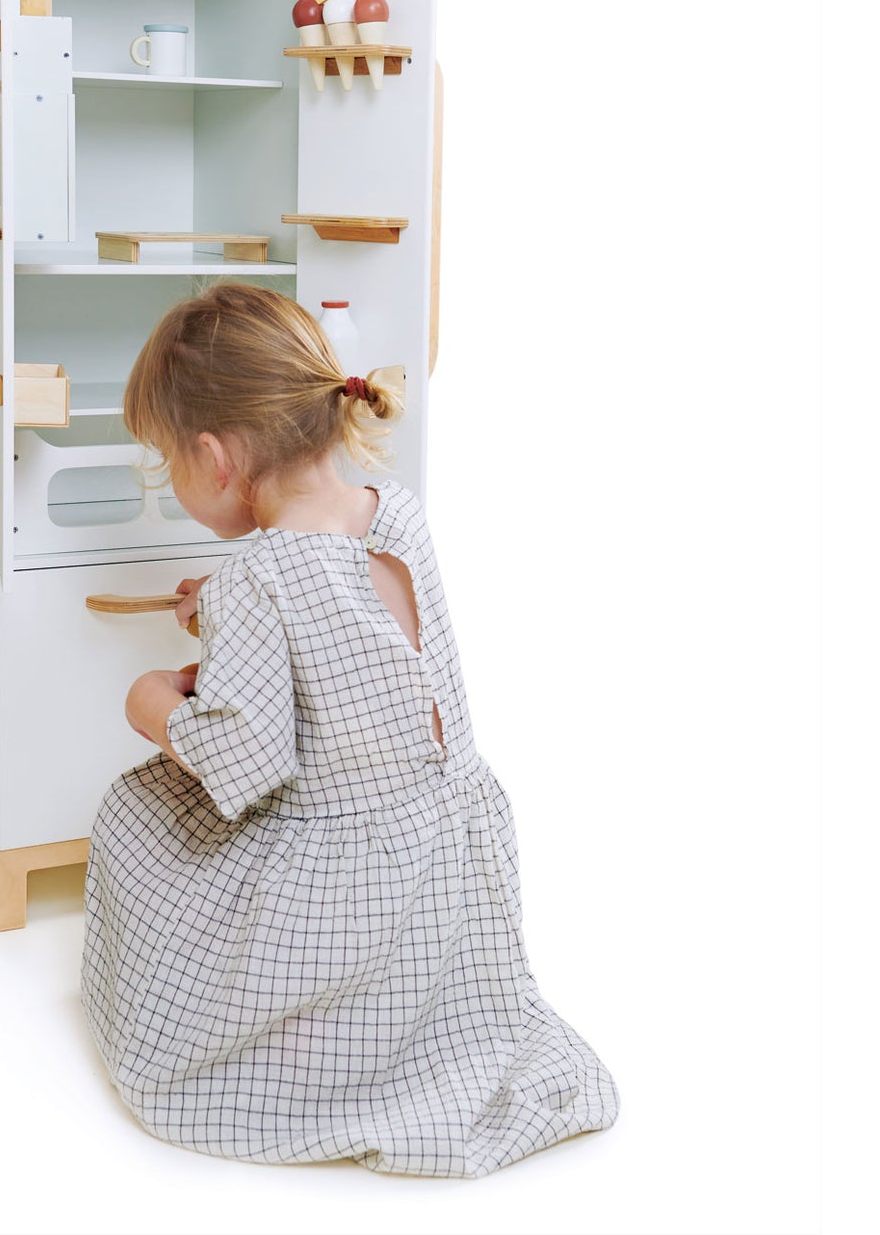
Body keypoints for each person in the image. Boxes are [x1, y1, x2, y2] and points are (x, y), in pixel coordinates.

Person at [81, 281, 619, 1177]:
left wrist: (150, 700)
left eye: (165, 460)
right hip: (446, 853)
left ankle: (274, 1038)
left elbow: (244, 762)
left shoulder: (259, 576)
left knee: (135, 818)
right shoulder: (394, 512)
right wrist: (220, 614)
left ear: (213, 459)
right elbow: (352, 643)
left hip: (345, 895)